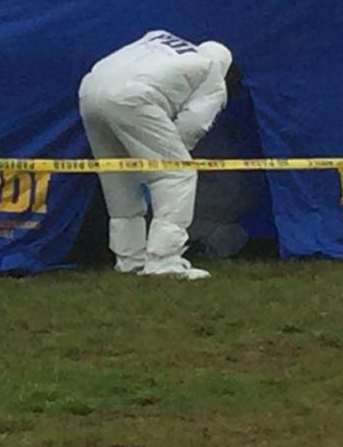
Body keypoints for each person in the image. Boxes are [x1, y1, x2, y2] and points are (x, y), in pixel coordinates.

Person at [78, 30, 233, 280]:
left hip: (90, 89)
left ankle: (130, 259)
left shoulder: (160, 38)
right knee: (177, 174)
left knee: (118, 175)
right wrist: (167, 154)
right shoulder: (211, 72)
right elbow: (192, 126)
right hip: (132, 98)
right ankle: (164, 262)